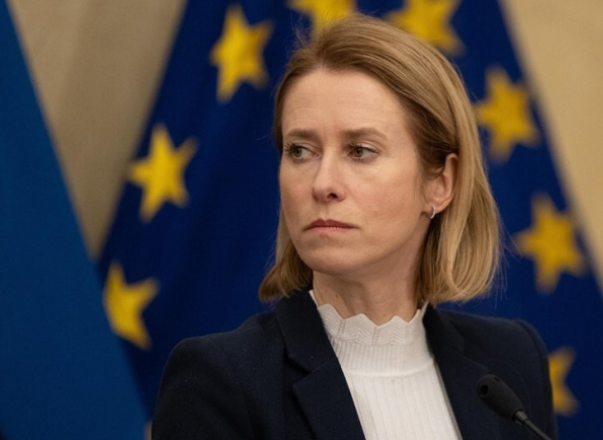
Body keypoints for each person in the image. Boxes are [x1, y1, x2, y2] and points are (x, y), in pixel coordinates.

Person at [152, 14, 556, 440]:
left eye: (360, 151)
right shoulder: (219, 382)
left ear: (440, 183)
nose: (323, 183)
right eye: (300, 150)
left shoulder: (512, 360)